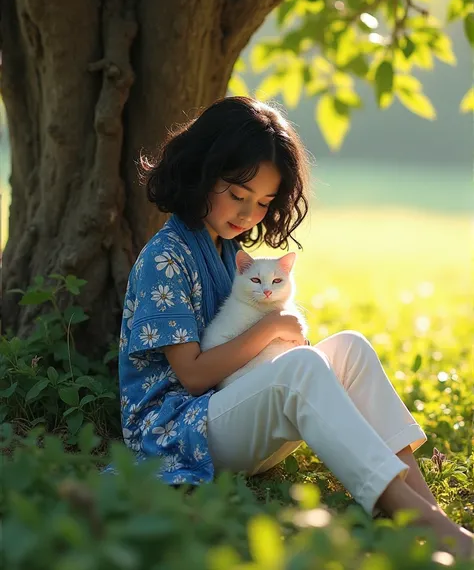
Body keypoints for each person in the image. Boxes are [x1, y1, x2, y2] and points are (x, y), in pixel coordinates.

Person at [119, 97, 473, 559]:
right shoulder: (166, 258)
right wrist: (271, 330)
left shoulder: (228, 252)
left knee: (349, 347)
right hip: (177, 434)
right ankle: (425, 524)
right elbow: (191, 376)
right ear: (202, 173)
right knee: (302, 365)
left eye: (264, 202)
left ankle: (422, 505)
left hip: (231, 416)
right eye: (237, 195)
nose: (248, 215)